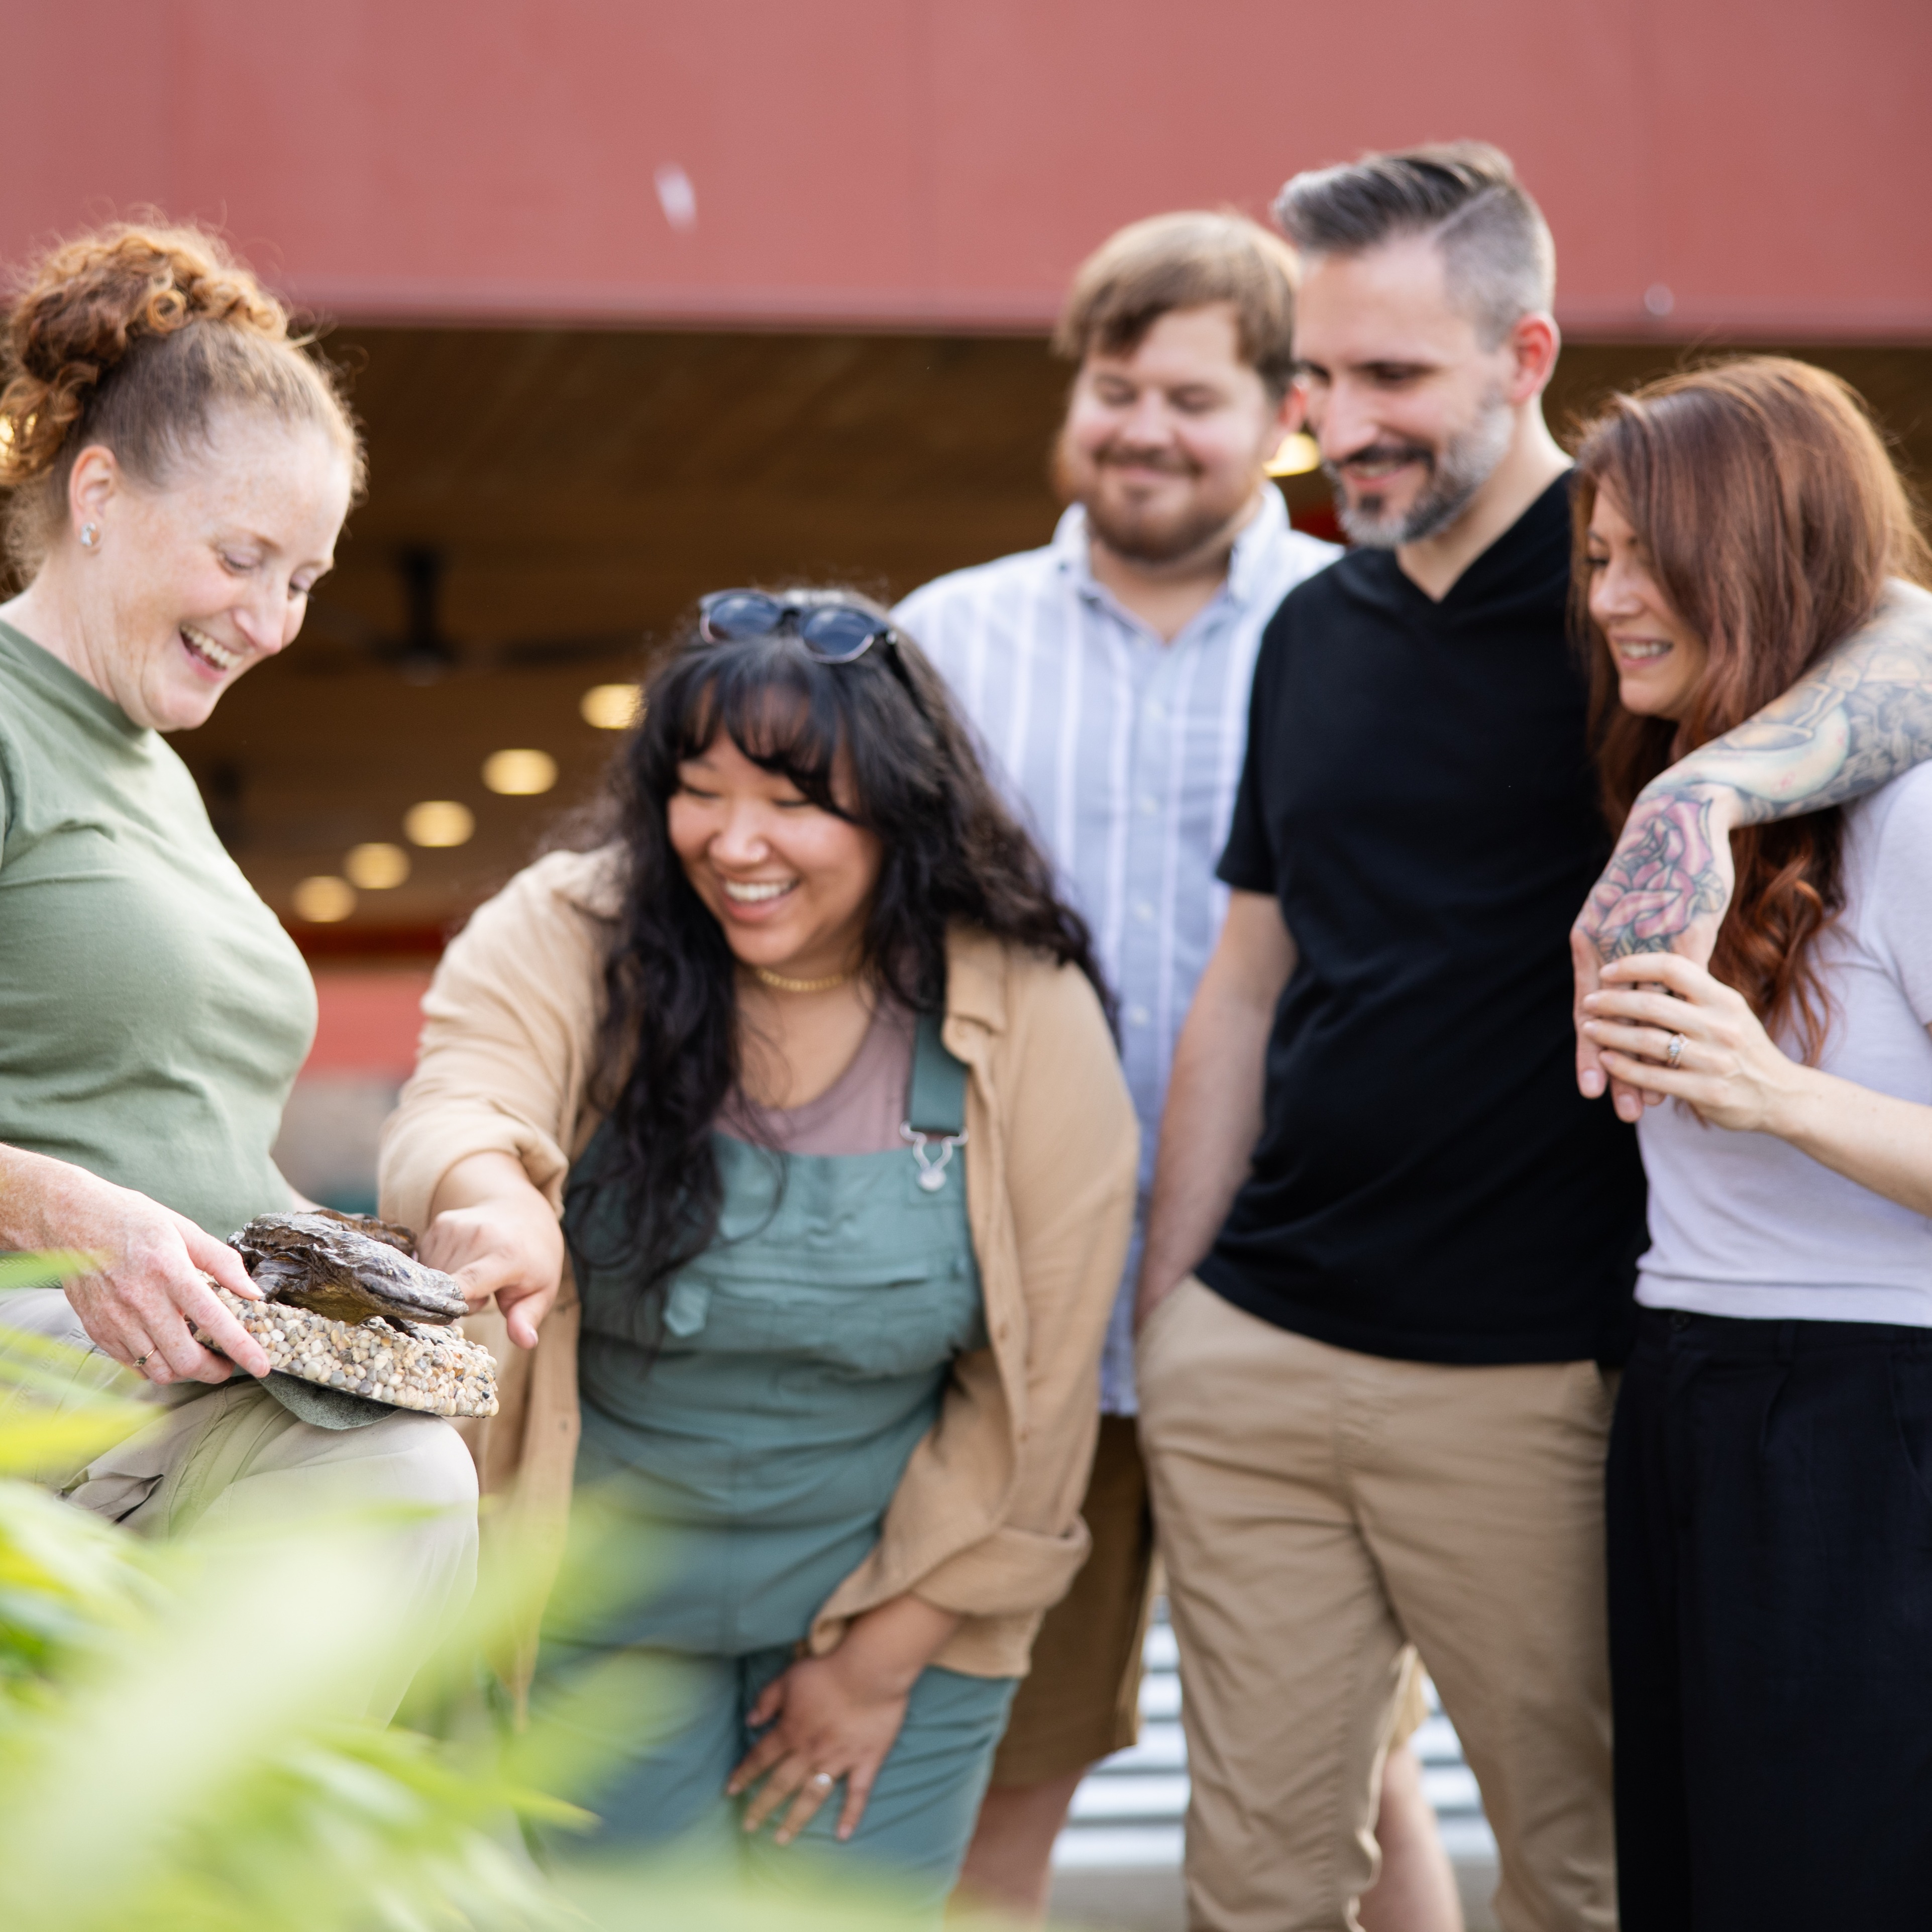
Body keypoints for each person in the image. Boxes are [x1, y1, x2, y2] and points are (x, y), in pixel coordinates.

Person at [1133, 143, 1932, 1932]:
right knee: (1248, 1890)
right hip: (1260, 1346)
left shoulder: (1665, 596)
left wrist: (1701, 790)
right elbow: (1250, 980)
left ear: (1526, 354)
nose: (1339, 425)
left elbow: (1909, 635)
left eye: (1391, 374)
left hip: (1541, 1373)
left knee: (1592, 1884)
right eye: (1314, 377)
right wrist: (1172, 1312)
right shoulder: (1311, 630)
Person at [376, 590, 1138, 1914]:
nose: (735, 844)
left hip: (907, 1595)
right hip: (601, 1601)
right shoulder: (572, 925)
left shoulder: (1020, 997)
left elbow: (1044, 1382)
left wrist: (880, 1663)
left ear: (899, 809)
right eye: (700, 791)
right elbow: (463, 1095)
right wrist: (494, 1198)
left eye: (793, 802)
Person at [897, 211, 1458, 1930]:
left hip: (1296, 1294)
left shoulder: (1377, 631)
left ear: (1286, 412)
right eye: (1115, 387)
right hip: (1017, 1317)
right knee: (1000, 1767)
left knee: (1355, 1774)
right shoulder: (944, 642)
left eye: (1193, 399)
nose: (1143, 430)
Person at [0, 223, 477, 1719]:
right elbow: (97, 1168)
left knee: (411, 1469)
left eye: (307, 580)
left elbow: (163, 1113)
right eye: (240, 558)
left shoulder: (148, 769)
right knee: (396, 1479)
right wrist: (64, 1209)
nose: (271, 625)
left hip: (177, 1388)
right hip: (48, 1386)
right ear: (97, 495)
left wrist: (381, 1275)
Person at [1569, 360, 1932, 1928]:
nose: (1611, 599)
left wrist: (1772, 1092)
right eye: (1598, 558)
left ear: (1769, 555)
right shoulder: (1698, 788)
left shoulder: (1916, 812)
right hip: (1691, 1377)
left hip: (1871, 1409)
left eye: (1652, 556)